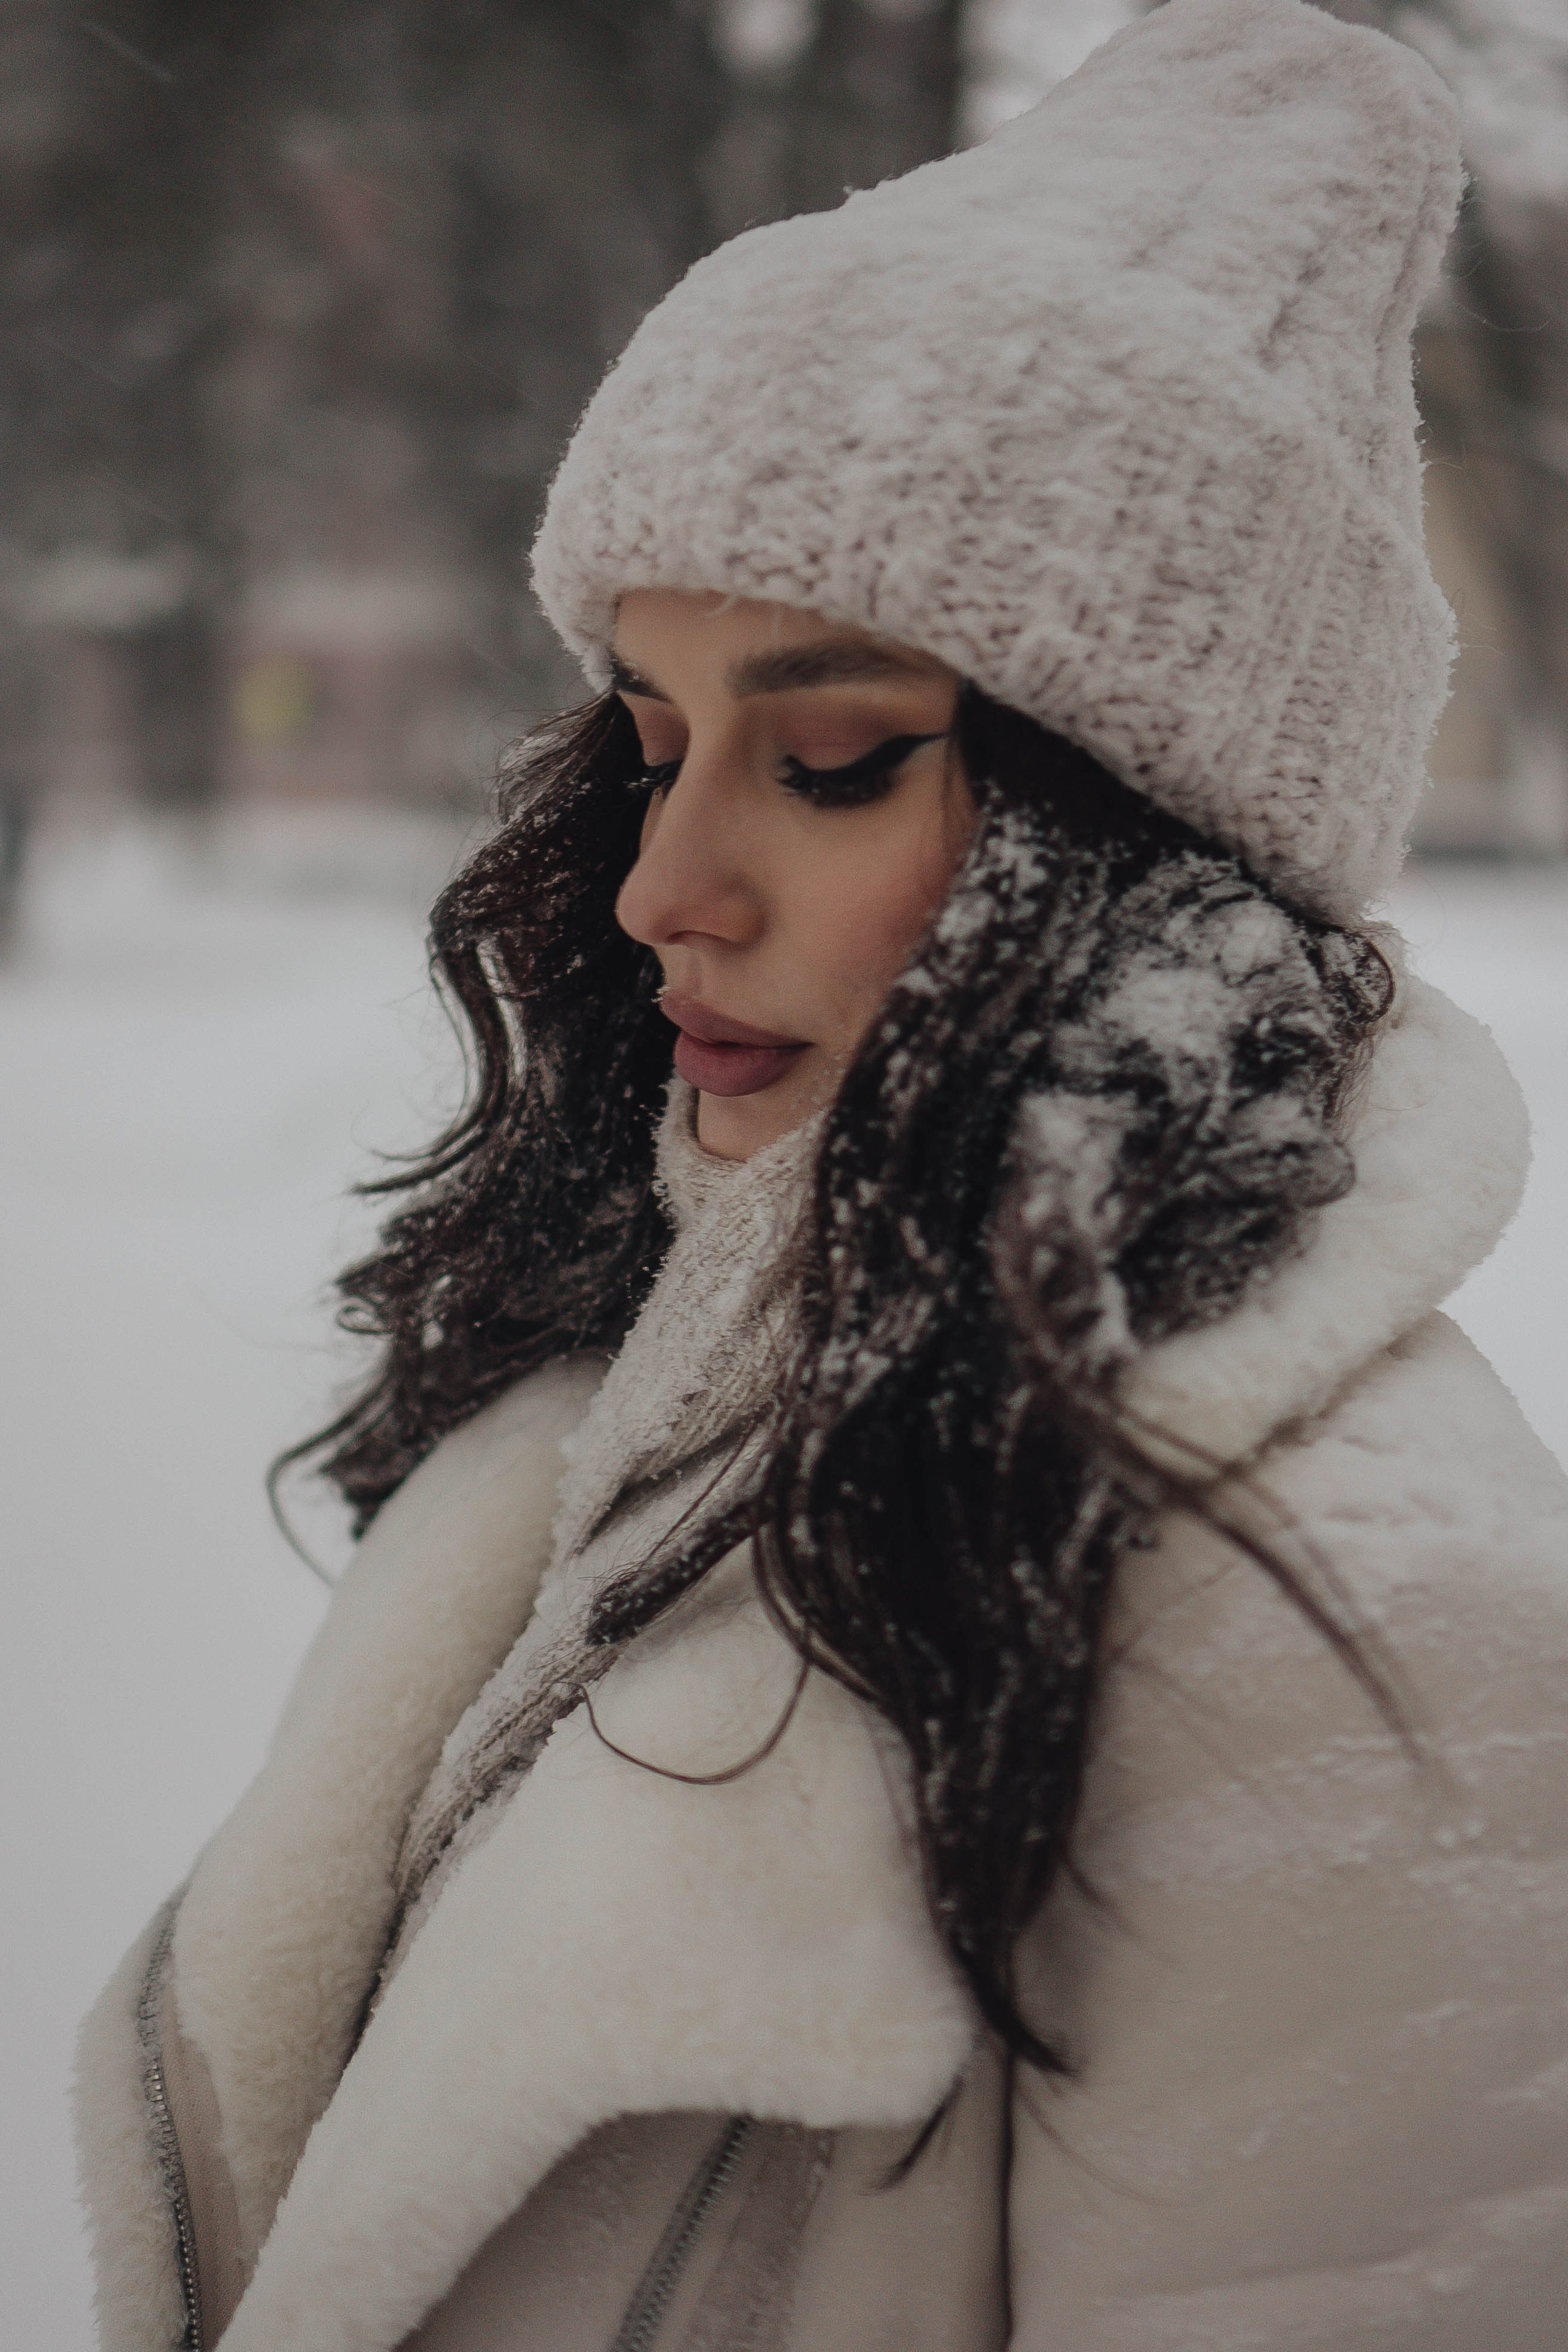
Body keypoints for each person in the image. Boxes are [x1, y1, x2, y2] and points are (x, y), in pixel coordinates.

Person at [76, 2, 1568, 2346]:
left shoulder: (1344, 1618)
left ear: (1144, 837)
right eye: (656, 748)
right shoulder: (678, 1377)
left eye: (839, 757)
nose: (666, 885)